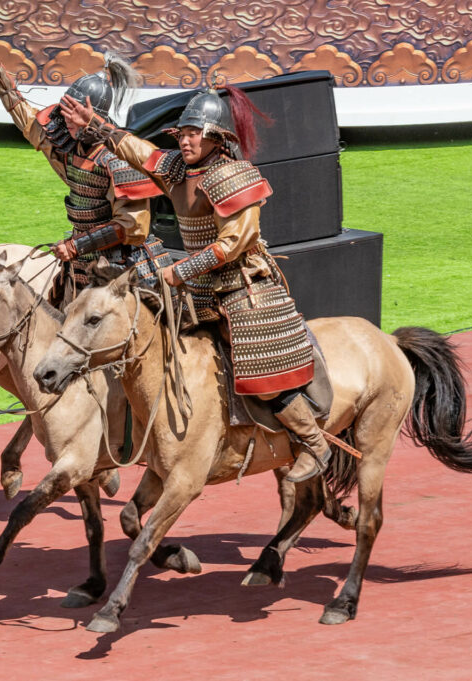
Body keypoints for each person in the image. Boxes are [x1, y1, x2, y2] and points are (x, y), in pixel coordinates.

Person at [60, 88, 332, 482]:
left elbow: (233, 242)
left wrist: (179, 271)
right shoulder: (178, 169)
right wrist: (98, 127)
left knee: (260, 368)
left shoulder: (233, 176)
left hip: (244, 286)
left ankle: (314, 444)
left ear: (217, 139)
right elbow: (141, 153)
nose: (185, 140)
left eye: (194, 133)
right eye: (182, 133)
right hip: (200, 287)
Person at [0, 41, 165, 300]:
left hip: (122, 264)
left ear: (93, 117)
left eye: (74, 115)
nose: (66, 121)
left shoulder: (119, 160)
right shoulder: (67, 143)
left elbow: (132, 227)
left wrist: (76, 245)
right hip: (77, 261)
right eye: (65, 113)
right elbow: (27, 119)